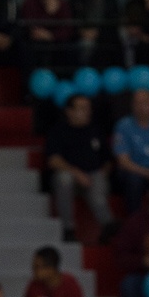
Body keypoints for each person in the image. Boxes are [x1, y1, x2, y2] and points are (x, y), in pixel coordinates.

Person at [45, 94, 112, 240]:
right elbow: (53, 160)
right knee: (64, 179)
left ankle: (109, 227)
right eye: (82, 108)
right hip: (70, 176)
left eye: (88, 108)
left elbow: (107, 159)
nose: (87, 112)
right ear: (69, 111)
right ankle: (68, 229)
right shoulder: (59, 131)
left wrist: (103, 174)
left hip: (94, 174)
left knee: (98, 188)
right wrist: (76, 173)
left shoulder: (95, 130)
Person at [70, 0, 121, 68]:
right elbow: (70, 19)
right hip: (81, 37)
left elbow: (114, 22)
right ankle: (84, 72)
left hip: (106, 37)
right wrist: (81, 31)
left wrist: (98, 33)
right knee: (86, 44)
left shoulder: (110, 0)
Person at [20, 0, 73, 69]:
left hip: (56, 41)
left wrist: (51, 35)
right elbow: (31, 27)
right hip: (35, 42)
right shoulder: (30, 2)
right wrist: (48, 13)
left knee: (67, 48)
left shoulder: (63, 4)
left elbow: (67, 29)